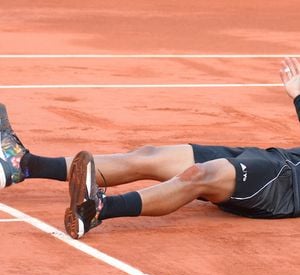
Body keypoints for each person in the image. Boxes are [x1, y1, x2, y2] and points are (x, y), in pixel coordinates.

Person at [1, 57, 300, 239]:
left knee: (199, 175)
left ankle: (97, 209)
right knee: (150, 155)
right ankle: (25, 165)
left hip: (284, 187)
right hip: (276, 157)